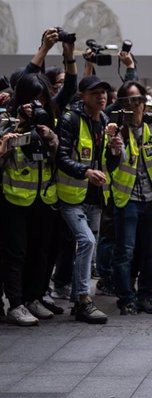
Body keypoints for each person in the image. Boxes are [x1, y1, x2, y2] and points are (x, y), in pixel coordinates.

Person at [106, 81, 152, 315]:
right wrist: (115, 145)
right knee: (125, 252)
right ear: (122, 104)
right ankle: (126, 297)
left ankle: (145, 295)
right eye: (130, 101)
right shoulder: (116, 130)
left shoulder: (151, 128)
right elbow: (116, 159)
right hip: (127, 199)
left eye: (139, 101)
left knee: (150, 252)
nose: (136, 106)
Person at [0, 74, 61, 325]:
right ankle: (15, 304)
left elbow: (59, 155)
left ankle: (33, 297)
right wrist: (14, 132)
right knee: (16, 253)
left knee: (40, 252)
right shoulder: (6, 121)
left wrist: (51, 138)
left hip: (44, 197)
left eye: (41, 99)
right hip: (14, 197)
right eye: (32, 100)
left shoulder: (48, 120)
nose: (36, 105)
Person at [56, 75, 113, 324]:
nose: (101, 96)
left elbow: (110, 163)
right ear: (83, 96)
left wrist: (116, 151)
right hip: (70, 196)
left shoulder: (105, 122)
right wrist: (85, 172)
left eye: (104, 92)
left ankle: (75, 297)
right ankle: (82, 299)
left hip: (95, 196)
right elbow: (62, 157)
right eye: (95, 93)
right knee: (86, 241)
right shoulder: (70, 119)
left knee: (89, 246)